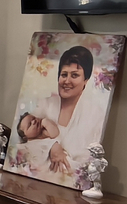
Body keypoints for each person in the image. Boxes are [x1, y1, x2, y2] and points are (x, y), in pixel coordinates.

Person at [16, 45, 108, 183]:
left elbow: (88, 163)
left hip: (72, 186)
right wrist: (51, 146)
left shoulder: (95, 115)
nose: (67, 81)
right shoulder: (44, 105)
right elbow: (23, 144)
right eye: (64, 74)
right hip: (35, 181)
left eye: (75, 75)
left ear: (86, 80)